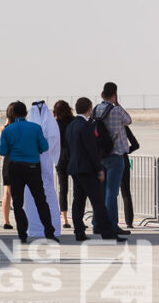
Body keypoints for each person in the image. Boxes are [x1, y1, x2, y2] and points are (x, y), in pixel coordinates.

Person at [66, 97, 124, 242]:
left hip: (75, 168)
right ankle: (107, 233)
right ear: (89, 109)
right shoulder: (85, 127)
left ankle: (79, 232)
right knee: (98, 202)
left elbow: (68, 149)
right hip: (87, 169)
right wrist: (99, 169)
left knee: (78, 202)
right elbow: (91, 150)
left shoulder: (71, 126)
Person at [0, 101, 56, 243]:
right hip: (33, 167)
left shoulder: (7, 130)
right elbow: (45, 146)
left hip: (15, 168)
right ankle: (49, 231)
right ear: (26, 113)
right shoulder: (35, 128)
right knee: (41, 200)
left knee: (17, 203)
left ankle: (22, 234)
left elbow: (2, 151)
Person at [91, 82, 132, 234]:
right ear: (114, 95)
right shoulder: (116, 110)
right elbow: (128, 120)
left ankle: (97, 224)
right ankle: (110, 225)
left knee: (99, 192)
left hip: (100, 155)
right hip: (115, 155)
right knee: (111, 193)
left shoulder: (96, 110)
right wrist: (117, 103)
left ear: (102, 94)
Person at [25, 100, 62, 238]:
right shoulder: (50, 124)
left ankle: (51, 228)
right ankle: (36, 228)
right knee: (34, 197)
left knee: (48, 195)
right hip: (39, 165)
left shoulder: (46, 125)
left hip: (42, 166)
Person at [52, 100, 75, 229]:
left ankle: (65, 219)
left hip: (60, 157)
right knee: (78, 188)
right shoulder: (73, 122)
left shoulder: (55, 124)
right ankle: (78, 217)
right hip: (73, 157)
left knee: (63, 189)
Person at [1, 102, 16, 230]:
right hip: (20, 160)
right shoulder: (21, 127)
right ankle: (20, 218)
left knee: (7, 192)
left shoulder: (5, 129)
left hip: (8, 161)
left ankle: (6, 220)